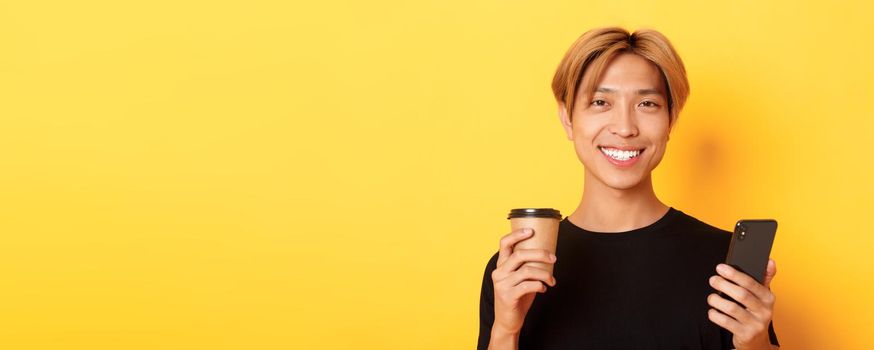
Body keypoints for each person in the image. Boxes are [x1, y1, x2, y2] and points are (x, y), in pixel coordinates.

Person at [477, 27, 781, 349]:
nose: (624, 128)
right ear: (567, 118)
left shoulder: (724, 262)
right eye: (600, 102)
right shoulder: (517, 270)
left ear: (671, 120)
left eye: (647, 104)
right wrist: (505, 330)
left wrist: (756, 342)